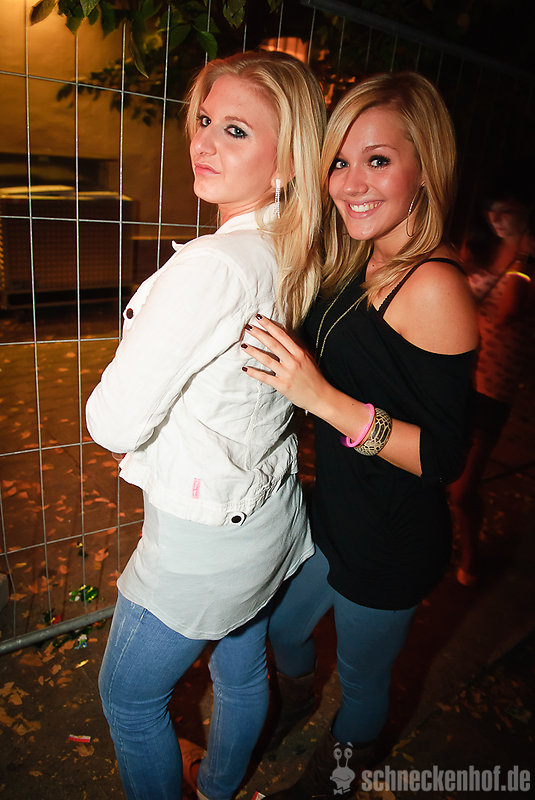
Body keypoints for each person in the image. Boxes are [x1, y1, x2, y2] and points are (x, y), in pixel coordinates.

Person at [85, 50, 326, 800]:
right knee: (240, 662)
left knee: (129, 698)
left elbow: (112, 421)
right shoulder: (294, 249)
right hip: (267, 515)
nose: (203, 142)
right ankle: (218, 788)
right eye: (204, 120)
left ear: (288, 159)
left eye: (235, 130)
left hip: (202, 542)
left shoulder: (214, 267)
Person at [242, 71, 478, 798]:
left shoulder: (433, 285)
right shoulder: (358, 258)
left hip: (391, 540)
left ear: (424, 168)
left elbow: (442, 457)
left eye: (377, 160)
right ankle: (297, 701)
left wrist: (321, 398)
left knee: (364, 681)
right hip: (335, 515)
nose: (350, 184)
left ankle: (338, 778)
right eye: (339, 162)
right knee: (283, 631)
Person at [449, 176, 534, 586]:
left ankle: (471, 552)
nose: (496, 219)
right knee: (434, 469)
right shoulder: (479, 246)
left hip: (493, 386)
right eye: (491, 210)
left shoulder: (528, 263)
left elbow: (508, 312)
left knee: (463, 489)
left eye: (507, 211)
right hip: (456, 373)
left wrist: (522, 258)